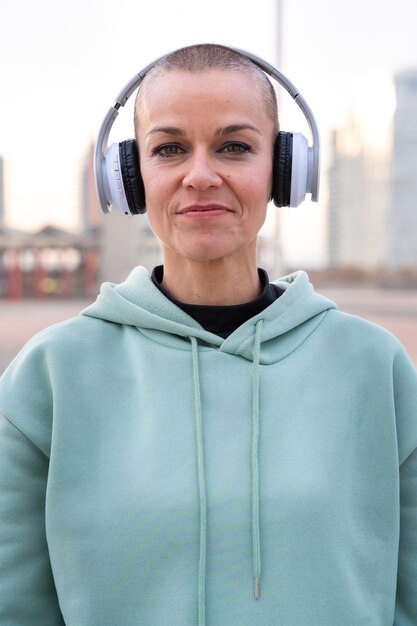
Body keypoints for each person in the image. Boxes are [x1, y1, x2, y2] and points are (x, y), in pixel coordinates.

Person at [0, 44, 417, 626]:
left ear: (285, 169)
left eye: (234, 146)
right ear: (129, 176)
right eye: (169, 149)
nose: (200, 175)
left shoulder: (377, 368)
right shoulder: (47, 377)